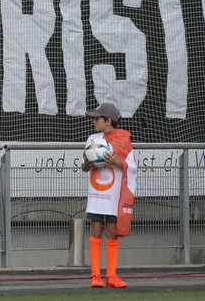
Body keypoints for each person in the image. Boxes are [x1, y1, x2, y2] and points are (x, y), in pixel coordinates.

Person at [81, 101, 133, 289]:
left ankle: (111, 275)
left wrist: (116, 162)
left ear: (108, 120)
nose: (94, 121)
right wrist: (87, 164)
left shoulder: (123, 139)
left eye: (97, 118)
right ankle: (95, 275)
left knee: (112, 232)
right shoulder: (93, 139)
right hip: (97, 193)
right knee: (96, 230)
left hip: (114, 194)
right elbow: (84, 166)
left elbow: (131, 166)